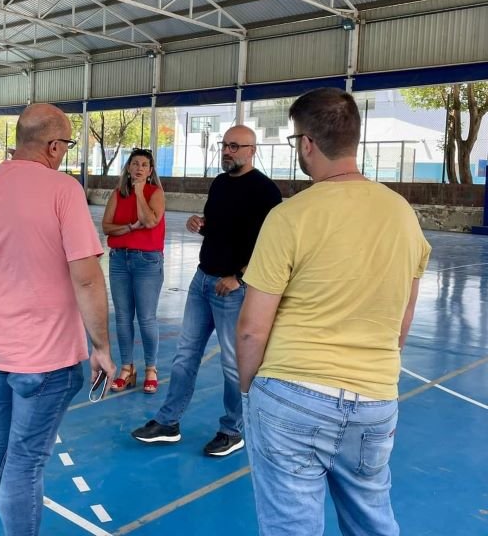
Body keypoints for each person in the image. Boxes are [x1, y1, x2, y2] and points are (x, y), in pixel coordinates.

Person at [236, 88, 432, 536]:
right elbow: (402, 322)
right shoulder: (403, 215)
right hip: (374, 399)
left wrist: (250, 393)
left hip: (292, 393)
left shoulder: (290, 216)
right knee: (372, 521)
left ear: (307, 143)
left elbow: (251, 329)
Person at [0, 103, 115, 536]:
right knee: (25, 463)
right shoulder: (62, 189)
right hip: (45, 357)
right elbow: (86, 279)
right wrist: (101, 347)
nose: (65, 152)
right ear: (53, 145)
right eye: (66, 144)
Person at [132, 125, 282, 456]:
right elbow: (220, 228)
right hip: (202, 281)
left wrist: (239, 277)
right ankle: (168, 422)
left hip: (232, 289)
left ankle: (233, 429)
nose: (227, 151)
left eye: (234, 146)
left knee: (233, 363)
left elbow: (271, 247)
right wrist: (199, 224)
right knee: (185, 355)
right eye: (224, 145)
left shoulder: (266, 192)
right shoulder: (219, 183)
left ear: (251, 150)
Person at [102, 148, 166, 394]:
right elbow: (107, 227)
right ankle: (127, 369)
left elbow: (150, 221)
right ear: (128, 168)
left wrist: (140, 192)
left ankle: (151, 368)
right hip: (119, 260)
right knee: (122, 317)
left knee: (147, 318)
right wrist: (129, 227)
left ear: (150, 171)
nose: (139, 168)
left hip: (147, 262)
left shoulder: (155, 193)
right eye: (135, 163)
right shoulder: (117, 194)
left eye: (144, 165)